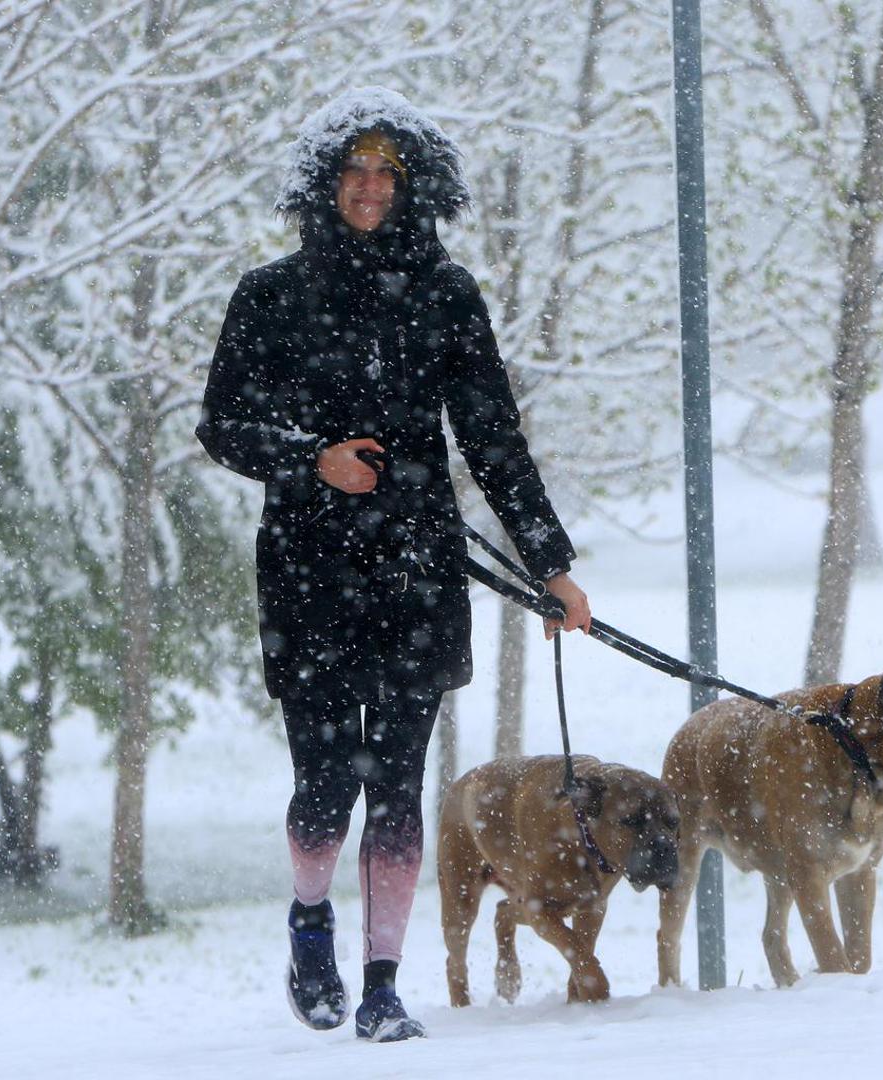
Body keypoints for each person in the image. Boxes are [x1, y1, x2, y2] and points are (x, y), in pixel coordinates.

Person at [196, 87, 590, 1043]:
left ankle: (381, 986)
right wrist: (311, 459)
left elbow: (493, 436)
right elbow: (222, 426)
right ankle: (308, 919)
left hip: (419, 562)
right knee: (324, 783)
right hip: (308, 566)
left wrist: (551, 563)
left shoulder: (449, 296)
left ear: (415, 190)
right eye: (354, 171)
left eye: (388, 174)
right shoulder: (271, 295)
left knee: (400, 785)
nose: (369, 188)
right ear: (324, 184)